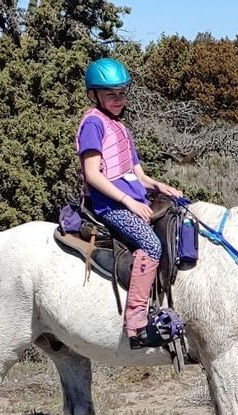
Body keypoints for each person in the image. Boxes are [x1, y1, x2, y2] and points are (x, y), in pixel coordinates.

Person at [76, 57, 185, 347]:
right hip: (110, 207)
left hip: (132, 200)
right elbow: (92, 174)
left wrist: (159, 185)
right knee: (151, 245)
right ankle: (136, 321)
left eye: (122, 93)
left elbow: (137, 174)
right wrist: (129, 201)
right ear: (94, 95)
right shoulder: (93, 124)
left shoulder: (121, 128)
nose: (118, 99)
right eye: (110, 94)